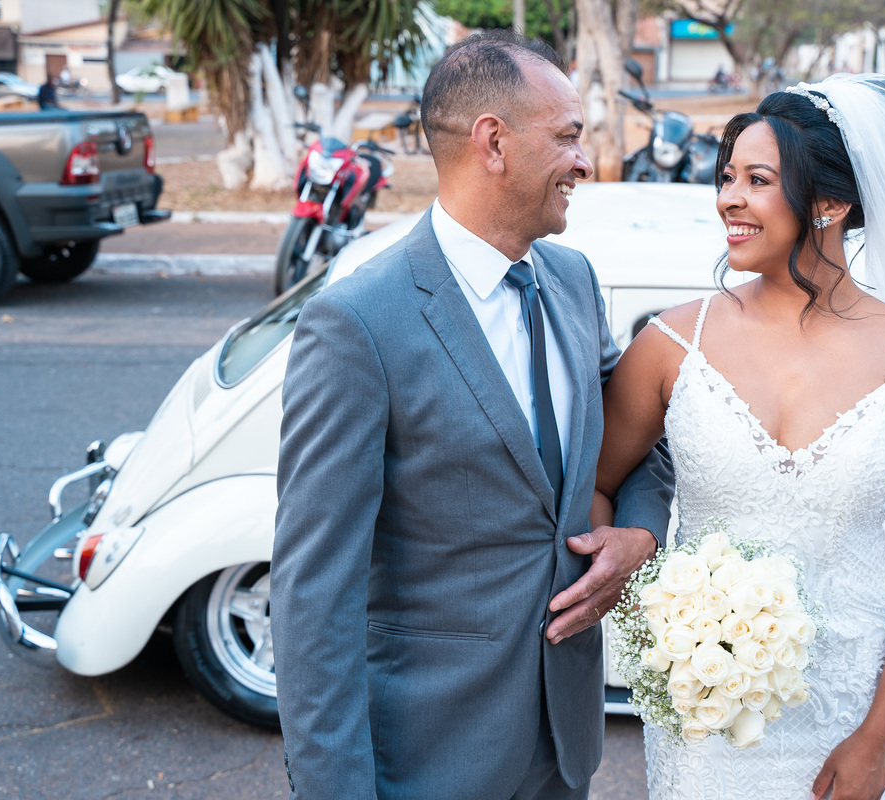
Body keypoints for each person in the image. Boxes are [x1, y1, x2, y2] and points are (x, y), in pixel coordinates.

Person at [592, 75, 885, 799]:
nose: (728, 198)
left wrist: (879, 734)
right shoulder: (671, 343)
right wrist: (634, 581)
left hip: (853, 703)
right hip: (704, 710)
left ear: (831, 204)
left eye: (757, 180)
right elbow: (598, 483)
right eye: (726, 177)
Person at [271, 31, 673, 800]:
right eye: (567, 137)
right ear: (493, 142)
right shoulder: (357, 324)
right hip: (427, 758)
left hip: (563, 748)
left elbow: (637, 434)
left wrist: (640, 533)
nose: (585, 161)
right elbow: (313, 594)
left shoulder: (573, 280)